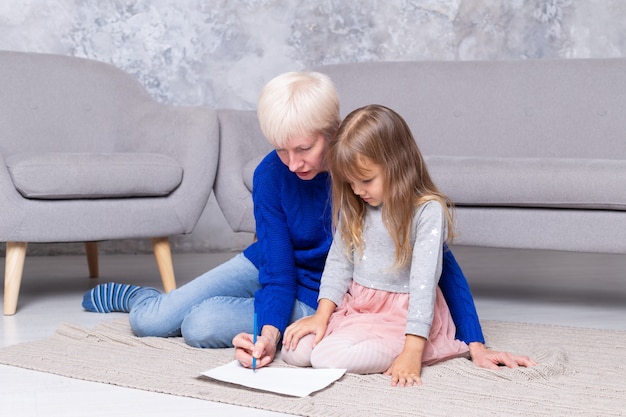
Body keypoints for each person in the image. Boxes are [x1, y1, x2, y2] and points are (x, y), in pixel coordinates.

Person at [82, 71, 535, 372]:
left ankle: (224, 320)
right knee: (152, 321)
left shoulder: (363, 172)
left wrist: (474, 341)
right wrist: (273, 330)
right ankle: (141, 298)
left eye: (304, 149)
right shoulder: (271, 174)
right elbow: (276, 270)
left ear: (332, 131)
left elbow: (436, 263)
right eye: (281, 148)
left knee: (201, 326)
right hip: (271, 267)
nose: (292, 162)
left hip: (324, 294)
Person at [282, 104, 472, 386]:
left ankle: (402, 345)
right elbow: (339, 263)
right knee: (294, 350)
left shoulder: (427, 211)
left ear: (398, 164)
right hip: (359, 307)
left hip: (401, 314)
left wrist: (412, 350)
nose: (358, 190)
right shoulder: (356, 202)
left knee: (326, 358)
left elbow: (424, 282)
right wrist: (321, 317)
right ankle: (354, 339)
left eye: (366, 180)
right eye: (350, 182)